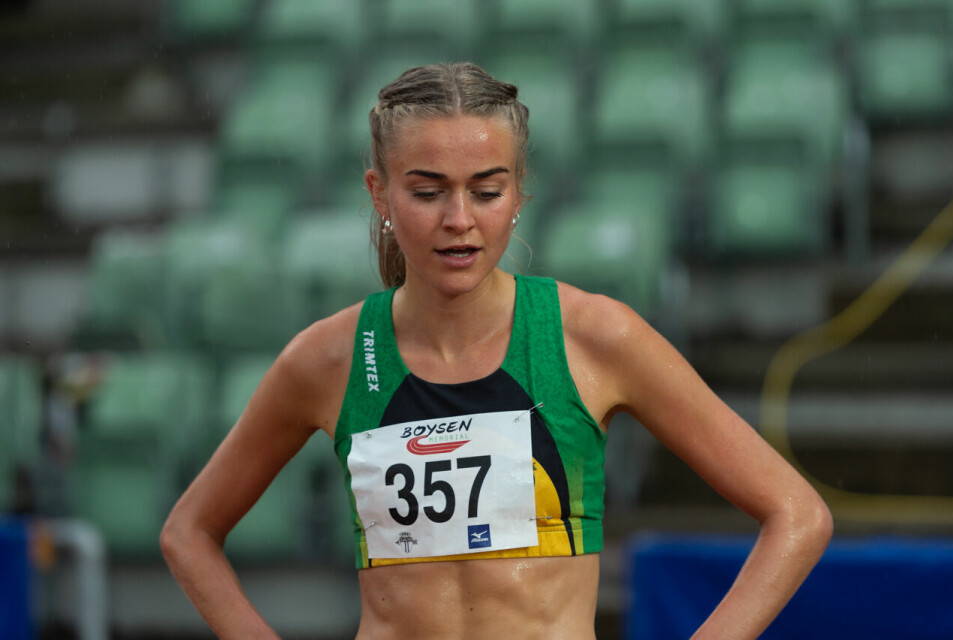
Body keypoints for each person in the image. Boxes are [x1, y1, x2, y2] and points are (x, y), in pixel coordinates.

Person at [160, 62, 833, 639]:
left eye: (487, 191)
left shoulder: (595, 336)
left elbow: (798, 514)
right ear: (380, 193)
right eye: (427, 192)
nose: (459, 220)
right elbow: (188, 532)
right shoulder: (326, 358)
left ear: (519, 195)